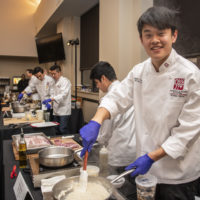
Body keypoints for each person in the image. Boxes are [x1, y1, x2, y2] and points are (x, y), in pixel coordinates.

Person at [79, 6, 200, 200]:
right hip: (146, 173)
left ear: (174, 35)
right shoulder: (139, 72)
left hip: (178, 174)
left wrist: (151, 157)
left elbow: (186, 133)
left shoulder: (190, 75)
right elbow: (116, 98)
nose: (155, 40)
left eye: (161, 33)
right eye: (148, 34)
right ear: (141, 39)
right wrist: (96, 120)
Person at [90, 61, 136, 174]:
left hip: (118, 154)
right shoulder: (128, 92)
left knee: (117, 187)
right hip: (134, 152)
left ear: (103, 78)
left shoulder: (108, 99)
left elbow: (105, 134)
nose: (97, 86)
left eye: (97, 82)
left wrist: (94, 139)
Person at [43, 65, 71, 135]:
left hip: (64, 110)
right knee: (56, 129)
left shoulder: (65, 81)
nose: (53, 75)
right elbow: (52, 93)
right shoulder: (53, 82)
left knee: (62, 129)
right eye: (51, 74)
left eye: (54, 74)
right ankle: (59, 143)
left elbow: (63, 95)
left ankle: (68, 142)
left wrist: (51, 99)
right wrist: (49, 102)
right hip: (56, 110)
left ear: (59, 73)